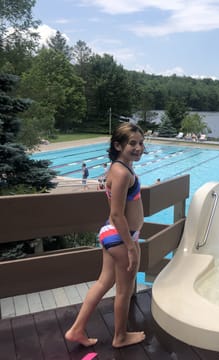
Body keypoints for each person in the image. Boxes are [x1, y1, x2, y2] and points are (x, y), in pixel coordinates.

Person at [65, 123, 146, 348]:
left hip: (113, 233)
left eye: (140, 142)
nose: (138, 147)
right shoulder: (121, 172)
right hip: (121, 237)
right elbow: (117, 214)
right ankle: (120, 337)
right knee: (124, 290)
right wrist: (130, 246)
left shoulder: (119, 167)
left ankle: (76, 329)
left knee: (104, 282)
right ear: (118, 145)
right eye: (132, 143)